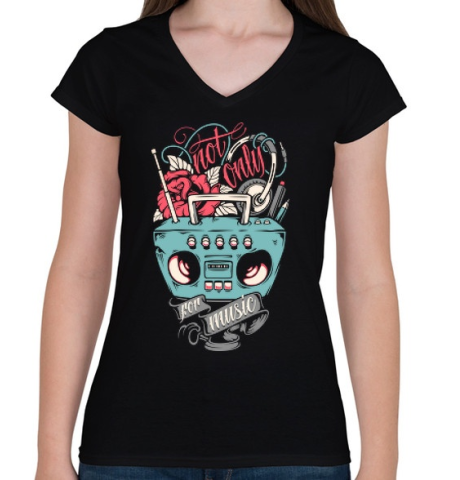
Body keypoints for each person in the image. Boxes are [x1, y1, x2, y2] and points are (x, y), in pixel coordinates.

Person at [35, 0, 406, 479]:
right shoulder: (113, 62)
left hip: (297, 441)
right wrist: (50, 452)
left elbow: (366, 282)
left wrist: (382, 462)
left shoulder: (348, 72)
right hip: (131, 439)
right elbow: (80, 268)